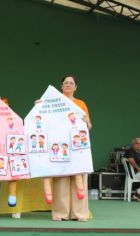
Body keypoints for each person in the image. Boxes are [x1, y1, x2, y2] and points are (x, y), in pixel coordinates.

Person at [39, 75, 92, 221]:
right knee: (61, 180)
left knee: (79, 181)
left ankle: (79, 214)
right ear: (61, 86)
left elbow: (89, 126)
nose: (68, 85)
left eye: (71, 83)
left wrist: (87, 121)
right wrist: (40, 106)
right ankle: (60, 213)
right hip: (59, 147)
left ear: (76, 87)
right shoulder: (53, 102)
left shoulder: (81, 104)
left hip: (77, 147)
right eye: (65, 83)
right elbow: (41, 120)